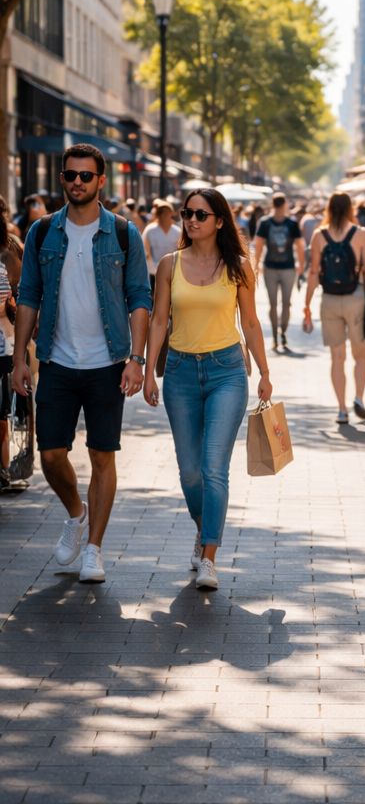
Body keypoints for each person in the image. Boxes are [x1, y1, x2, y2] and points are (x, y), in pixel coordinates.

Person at [13, 144, 151, 583]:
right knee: (51, 455)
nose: (77, 182)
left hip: (108, 363)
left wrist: (136, 359)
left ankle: (93, 548)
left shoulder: (123, 234)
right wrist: (21, 358)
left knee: (101, 455)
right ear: (63, 179)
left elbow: (140, 299)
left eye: (86, 176)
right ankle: (77, 513)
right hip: (55, 360)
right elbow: (29, 296)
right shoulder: (41, 234)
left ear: (100, 181)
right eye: (70, 175)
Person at [143, 189, 271, 591]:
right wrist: (149, 371)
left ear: (219, 221)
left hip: (227, 372)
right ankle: (205, 529)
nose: (192, 220)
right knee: (190, 471)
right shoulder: (169, 264)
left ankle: (210, 557)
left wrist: (265, 371)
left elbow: (250, 322)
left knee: (215, 467)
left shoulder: (238, 266)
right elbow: (159, 321)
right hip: (180, 372)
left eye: (201, 214)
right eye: (187, 213)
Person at [303, 193, 365, 424]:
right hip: (356, 298)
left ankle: (341, 410)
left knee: (337, 358)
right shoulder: (361, 234)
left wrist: (307, 304)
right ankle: (358, 398)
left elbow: (314, 272)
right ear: (350, 209)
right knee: (360, 355)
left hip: (329, 300)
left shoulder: (319, 235)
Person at [253, 193, 305, 351]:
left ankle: (276, 336)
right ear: (284, 205)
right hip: (288, 267)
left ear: (272, 204)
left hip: (270, 267)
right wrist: (301, 264)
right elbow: (299, 245)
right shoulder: (291, 223)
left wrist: (256, 265)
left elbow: (258, 245)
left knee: (273, 304)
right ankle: (282, 333)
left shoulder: (265, 222)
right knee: (286, 303)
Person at [0, 198, 21, 491]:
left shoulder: (11, 249)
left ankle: (3, 468)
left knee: (1, 415)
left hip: (4, 343)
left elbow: (19, 295)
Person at [142, 200, 182, 291]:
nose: (164, 215)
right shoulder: (149, 230)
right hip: (153, 271)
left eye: (167, 213)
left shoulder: (177, 231)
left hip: (172, 271)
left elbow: (180, 250)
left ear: (171, 214)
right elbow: (145, 249)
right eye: (161, 213)